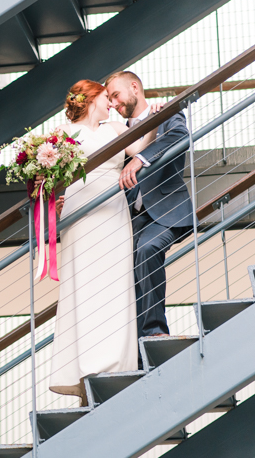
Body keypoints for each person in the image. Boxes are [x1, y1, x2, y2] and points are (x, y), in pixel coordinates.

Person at [47, 79, 164, 402]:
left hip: (112, 212)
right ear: (91, 98)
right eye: (107, 97)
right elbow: (50, 177)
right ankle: (83, 372)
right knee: (82, 289)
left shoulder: (115, 128)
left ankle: (112, 367)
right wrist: (52, 197)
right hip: (78, 215)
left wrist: (153, 121)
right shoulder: (63, 134)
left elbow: (139, 149)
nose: (112, 103)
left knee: (114, 285)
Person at [105, 71, 194, 339]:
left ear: (134, 87)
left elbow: (179, 136)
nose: (112, 103)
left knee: (147, 249)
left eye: (115, 95)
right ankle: (137, 350)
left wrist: (141, 158)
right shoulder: (115, 134)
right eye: (108, 99)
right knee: (127, 278)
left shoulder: (165, 114)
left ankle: (154, 333)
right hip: (130, 219)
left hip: (167, 213)